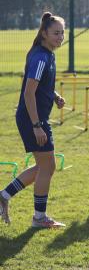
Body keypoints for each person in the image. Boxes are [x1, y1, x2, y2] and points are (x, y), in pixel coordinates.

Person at [0, 12, 66, 228]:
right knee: (48, 166)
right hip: (32, 118)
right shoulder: (40, 56)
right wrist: (37, 126)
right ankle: (39, 218)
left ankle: (4, 196)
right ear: (44, 33)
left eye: (62, 33)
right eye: (56, 33)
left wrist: (54, 95)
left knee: (44, 166)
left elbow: (41, 85)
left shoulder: (47, 54)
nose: (60, 37)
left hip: (35, 117)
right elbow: (29, 93)